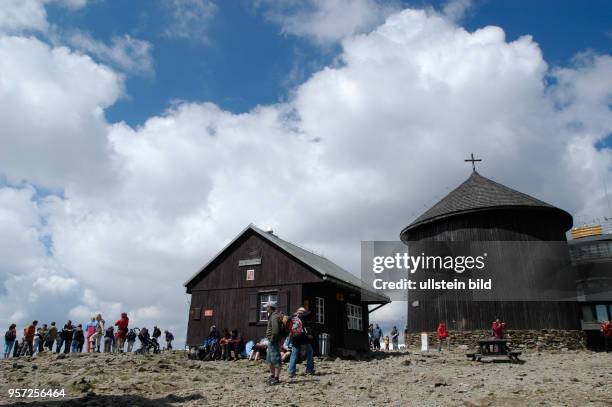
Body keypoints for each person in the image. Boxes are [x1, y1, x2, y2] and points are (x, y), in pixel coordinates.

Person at [287, 307, 315, 378]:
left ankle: (291, 372)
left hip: (294, 338)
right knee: (310, 352)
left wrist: (296, 313)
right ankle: (309, 370)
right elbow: (311, 312)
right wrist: (303, 311)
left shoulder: (292, 317)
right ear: (302, 312)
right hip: (303, 338)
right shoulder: (303, 316)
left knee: (294, 354)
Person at [264, 302, 283, 385]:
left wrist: (272, 340)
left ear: (270, 307)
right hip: (271, 341)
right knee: (270, 359)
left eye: (267, 307)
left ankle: (276, 378)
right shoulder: (272, 315)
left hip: (273, 341)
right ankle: (272, 376)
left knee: (276, 359)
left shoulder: (274, 316)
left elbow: (275, 330)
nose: (265, 308)